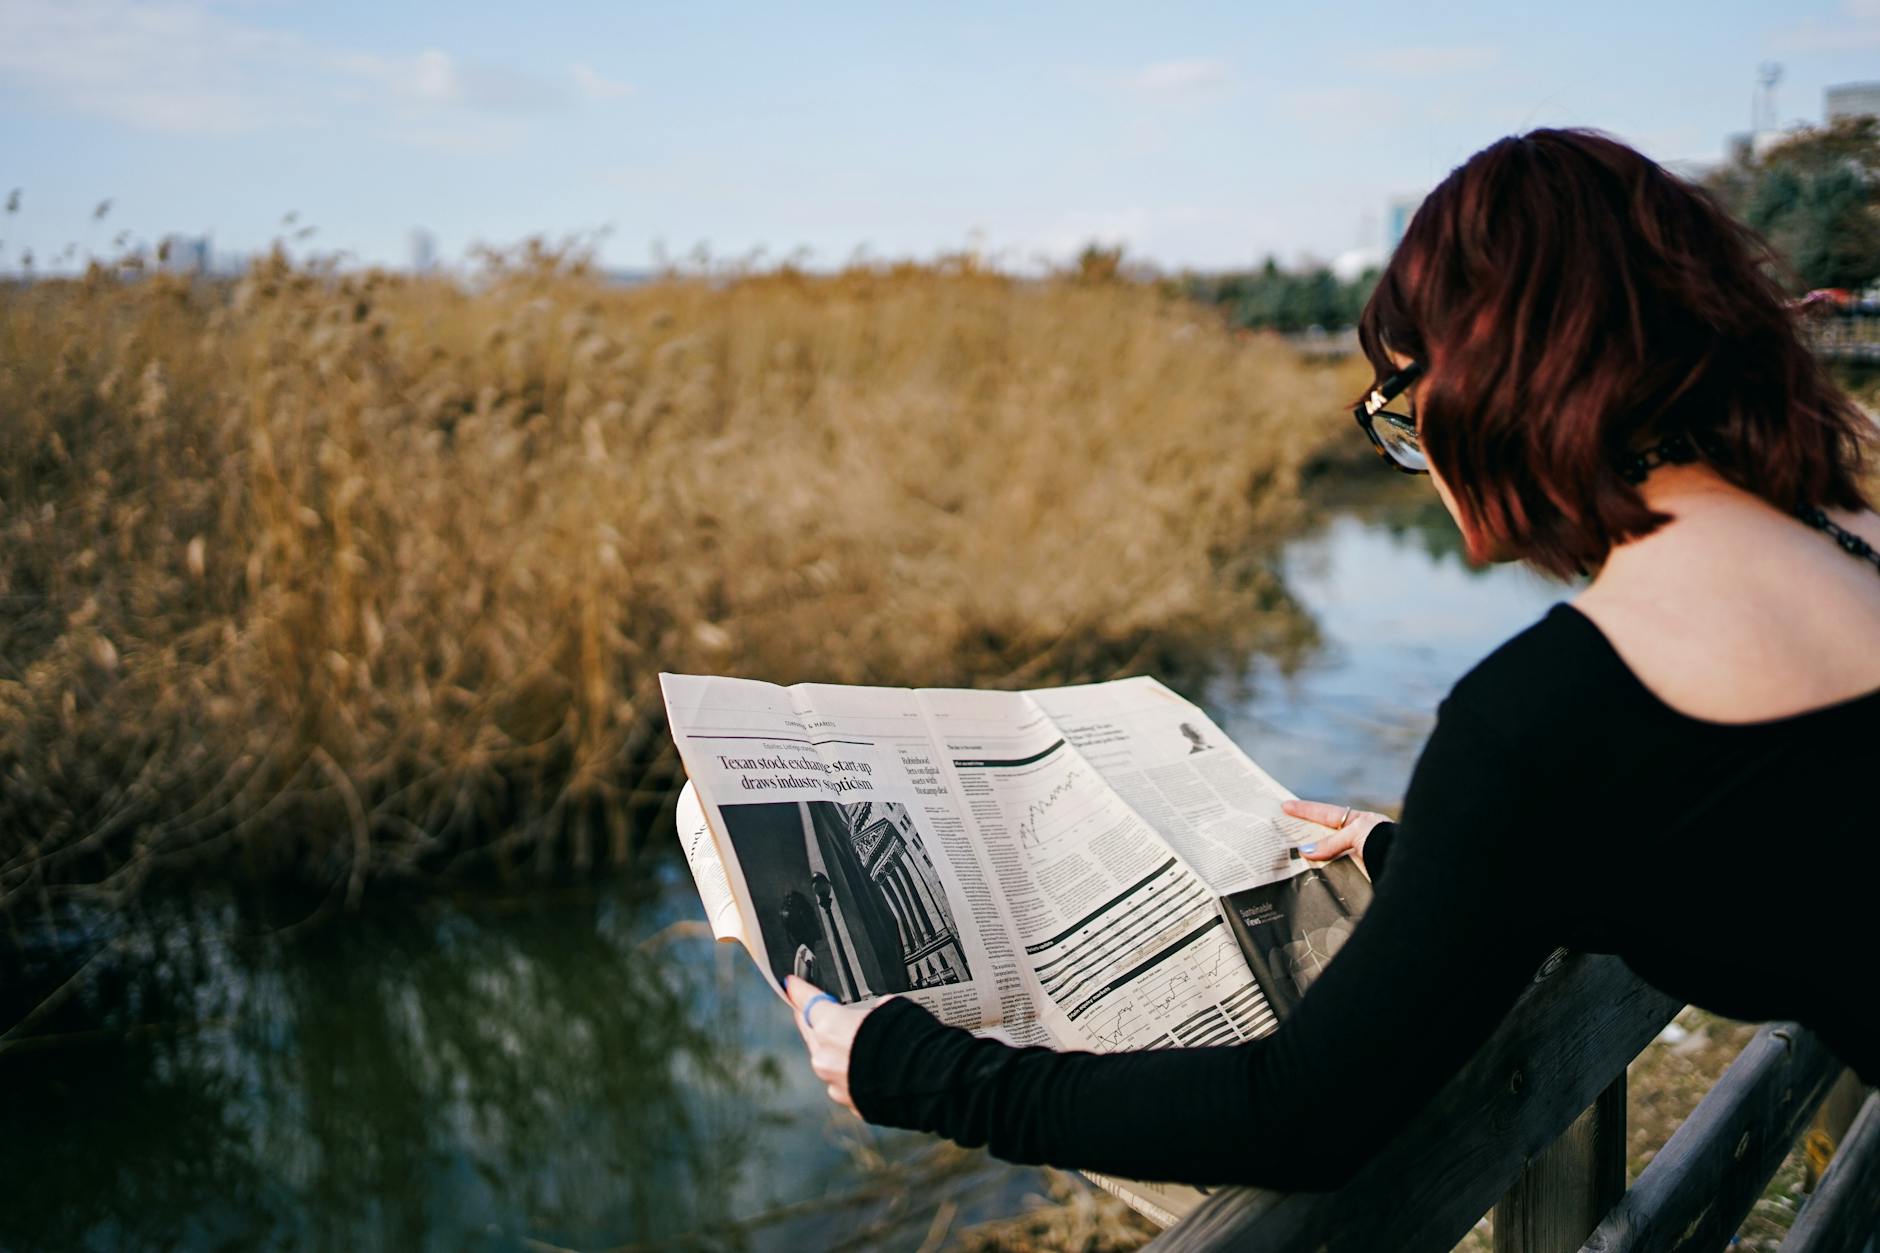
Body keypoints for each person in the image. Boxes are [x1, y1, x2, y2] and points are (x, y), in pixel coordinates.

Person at [782, 128, 1880, 1192]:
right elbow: (1753, 835)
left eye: (1400, 404)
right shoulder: (1847, 536)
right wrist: (1438, 861)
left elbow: (1294, 1117)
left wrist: (915, 1070)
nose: (1418, 454)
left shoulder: (1544, 717)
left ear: (1486, 383)